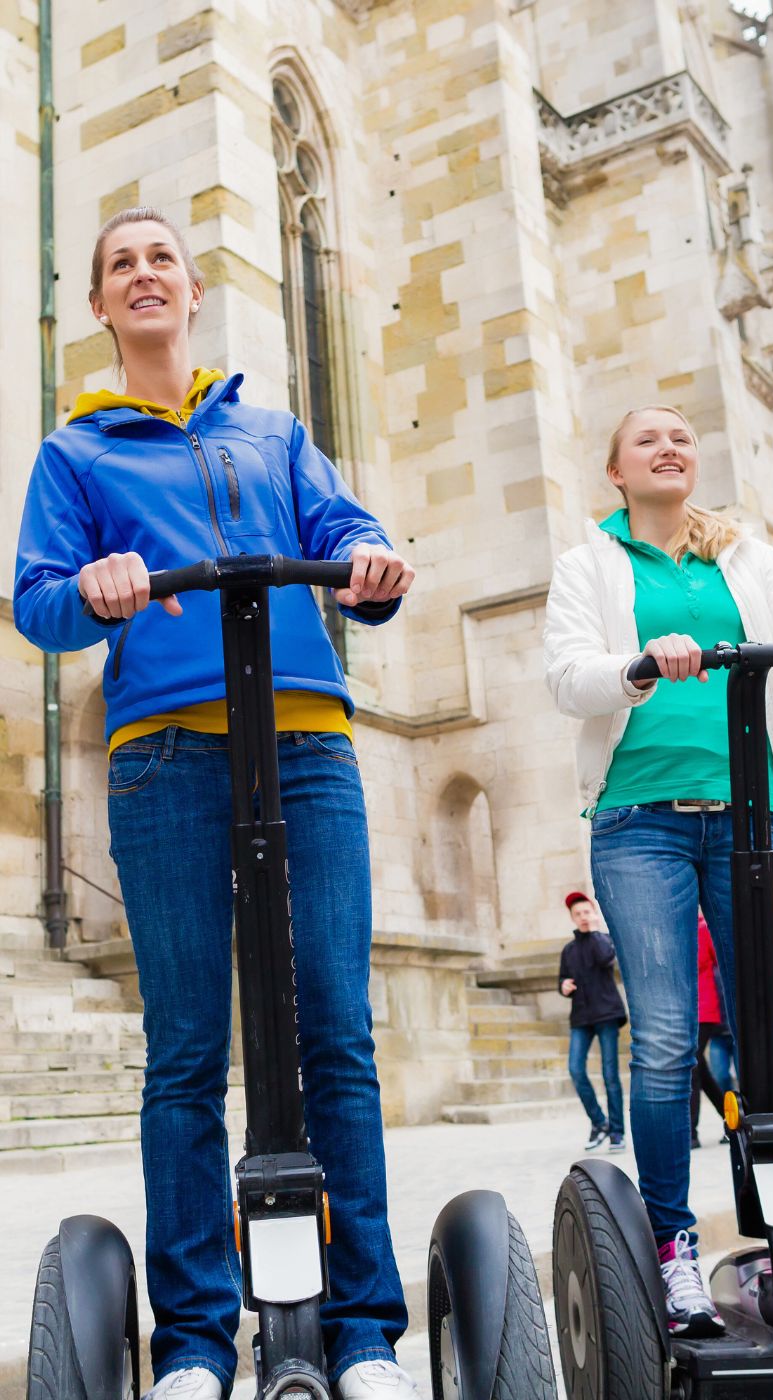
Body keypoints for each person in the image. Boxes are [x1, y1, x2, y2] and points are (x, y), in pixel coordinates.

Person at [13, 209, 416, 1400]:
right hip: (166, 754)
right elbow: (37, 603)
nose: (143, 275)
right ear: (101, 305)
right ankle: (192, 1340)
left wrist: (374, 560)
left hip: (304, 741)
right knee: (187, 1050)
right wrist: (93, 585)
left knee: (337, 1033)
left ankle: (362, 1333)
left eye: (160, 259)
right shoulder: (77, 451)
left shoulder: (276, 431)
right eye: (120, 264)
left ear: (193, 292)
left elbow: (345, 535)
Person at [544, 403, 773, 1337]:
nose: (670, 446)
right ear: (615, 470)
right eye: (647, 437)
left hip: (753, 817)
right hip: (639, 821)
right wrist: (641, 665)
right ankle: (672, 1245)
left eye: (683, 437)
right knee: (660, 1039)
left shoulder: (746, 556)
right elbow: (567, 678)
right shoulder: (590, 564)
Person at [558, 891, 626, 1151]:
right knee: (575, 1069)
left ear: (594, 913)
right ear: (573, 918)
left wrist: (596, 931)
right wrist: (563, 986)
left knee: (610, 1074)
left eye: (587, 912)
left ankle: (617, 1132)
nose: (583, 917)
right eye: (578, 914)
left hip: (607, 1014)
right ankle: (599, 1122)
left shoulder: (605, 941)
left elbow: (605, 959)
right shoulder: (569, 950)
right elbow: (562, 979)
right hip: (581, 1017)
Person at [691, 915, 735, 1148]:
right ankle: (733, 1121)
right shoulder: (675, 928)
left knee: (692, 1067)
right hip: (686, 1011)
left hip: (706, 1008)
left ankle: (690, 1132)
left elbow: (723, 967)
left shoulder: (703, 928)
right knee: (702, 1072)